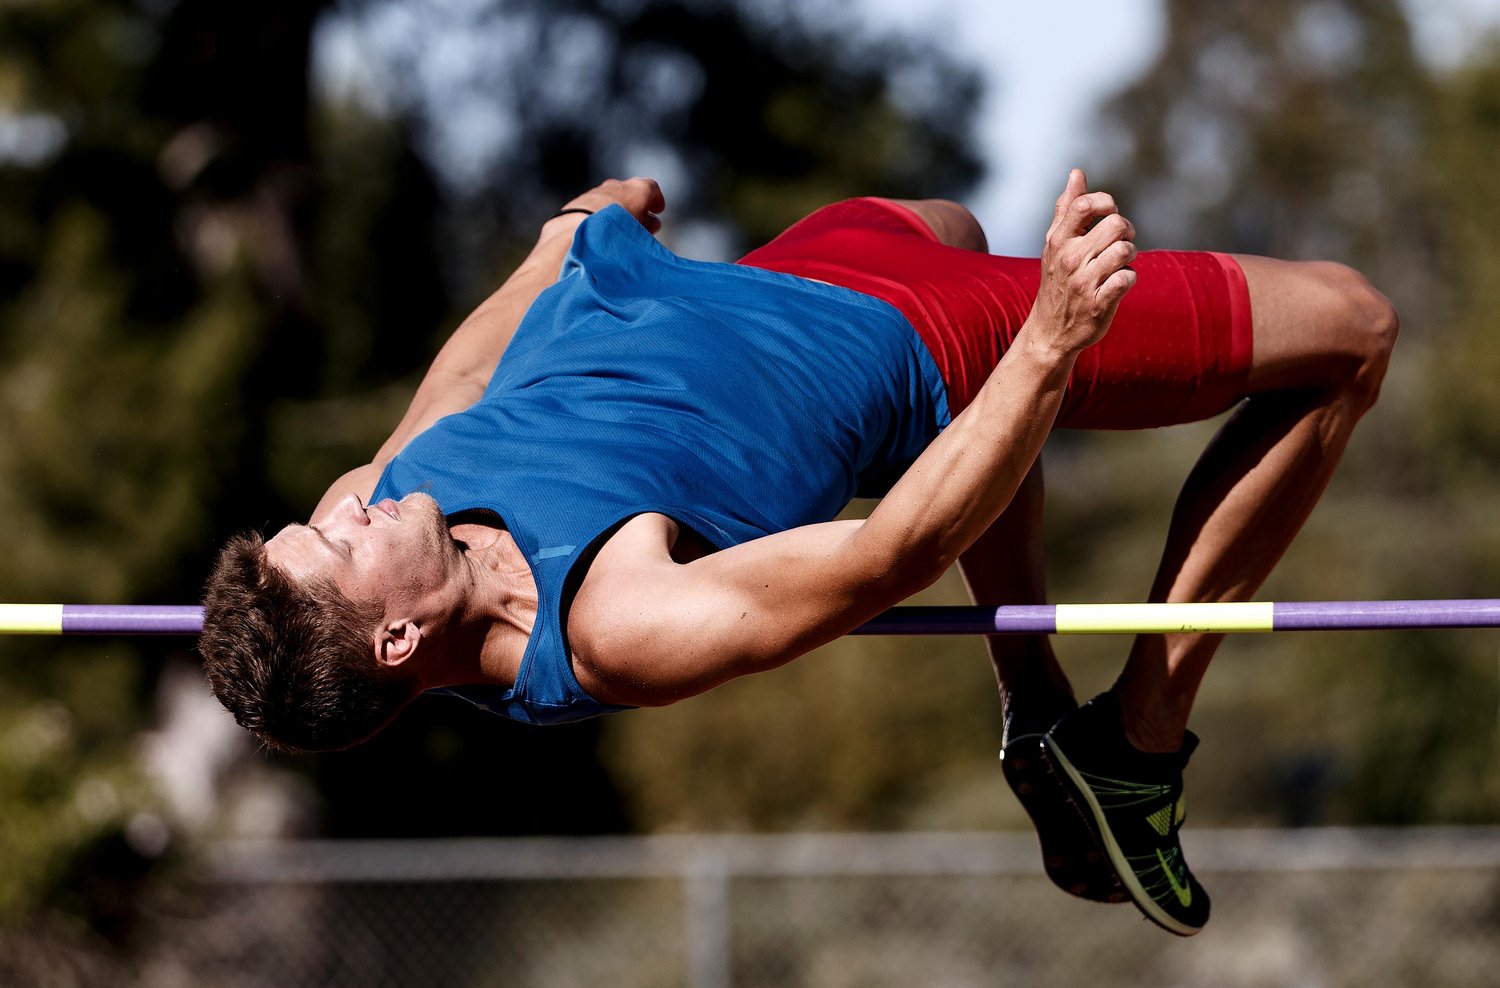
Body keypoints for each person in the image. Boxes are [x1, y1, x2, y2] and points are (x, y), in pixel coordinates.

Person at [199, 172, 1397, 936]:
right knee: (1352, 328)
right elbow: (889, 553)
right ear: (396, 638)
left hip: (780, 273)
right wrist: (1044, 344)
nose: (348, 507)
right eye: (336, 544)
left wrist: (559, 236)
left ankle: (1037, 707)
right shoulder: (613, 621)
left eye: (326, 516)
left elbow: (462, 373)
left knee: (954, 217)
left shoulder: (379, 499)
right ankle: (1136, 743)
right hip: (920, 336)